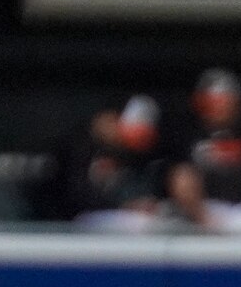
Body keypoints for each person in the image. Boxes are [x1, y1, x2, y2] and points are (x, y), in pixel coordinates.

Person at [167, 68, 241, 231]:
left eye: (224, 100)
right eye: (213, 101)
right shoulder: (188, 135)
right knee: (183, 176)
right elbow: (178, 179)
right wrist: (199, 212)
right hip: (202, 212)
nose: (219, 106)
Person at [47, 95, 165, 223]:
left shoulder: (136, 156)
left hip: (118, 220)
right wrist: (122, 206)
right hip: (68, 223)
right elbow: (73, 196)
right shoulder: (78, 147)